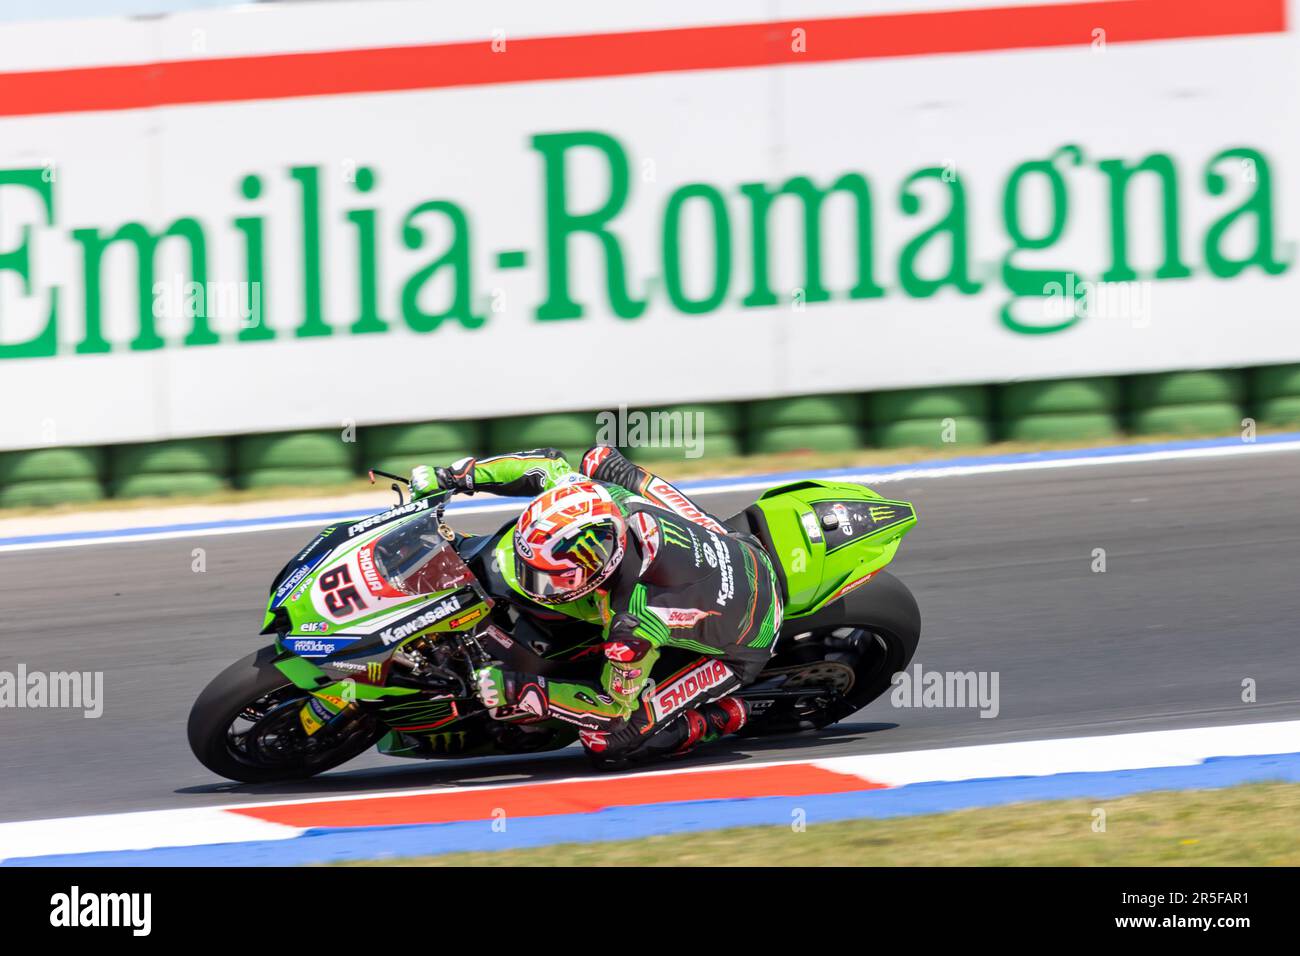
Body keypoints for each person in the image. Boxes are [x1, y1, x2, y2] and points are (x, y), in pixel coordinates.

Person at [409, 445, 783, 767]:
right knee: (600, 460)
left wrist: (520, 689)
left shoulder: (635, 621)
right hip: (728, 542)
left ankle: (725, 717)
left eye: (547, 579)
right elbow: (543, 466)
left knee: (608, 742)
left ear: (597, 570)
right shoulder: (596, 499)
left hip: (747, 637)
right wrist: (452, 478)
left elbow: (609, 708)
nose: (532, 584)